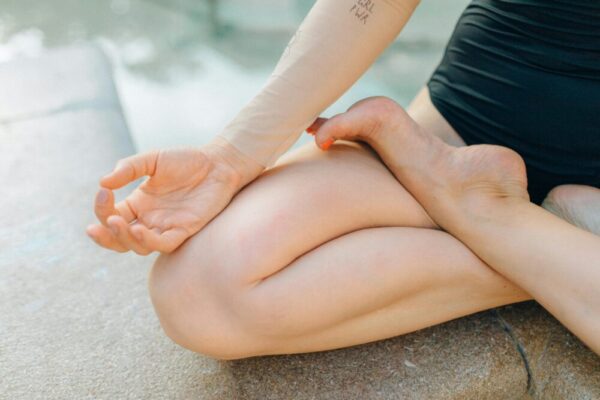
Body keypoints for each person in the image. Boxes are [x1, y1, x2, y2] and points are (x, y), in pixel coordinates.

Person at [87, 0, 600, 359]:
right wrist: (231, 156)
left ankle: (508, 219)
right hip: (473, 119)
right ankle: (559, 243)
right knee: (199, 293)